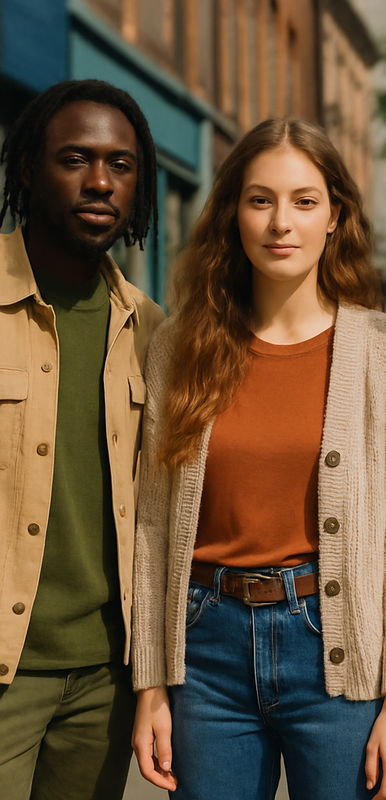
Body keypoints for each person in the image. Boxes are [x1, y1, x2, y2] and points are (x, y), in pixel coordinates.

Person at [131, 117, 386, 800]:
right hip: (204, 655)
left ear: (335, 217)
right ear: (232, 212)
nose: (280, 223)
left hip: (336, 649)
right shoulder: (179, 347)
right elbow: (152, 527)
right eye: (259, 199)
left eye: (303, 201)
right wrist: (151, 684)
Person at [0, 80, 164, 799]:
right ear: (30, 168)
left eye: (120, 165)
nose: (100, 181)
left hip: (105, 680)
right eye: (76, 158)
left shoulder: (155, 332)